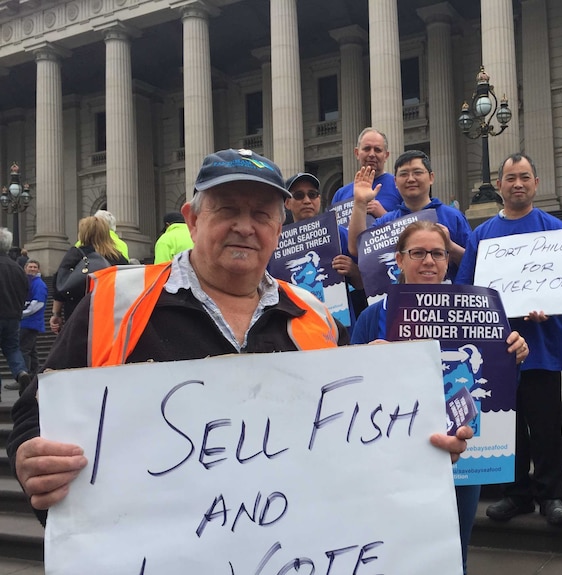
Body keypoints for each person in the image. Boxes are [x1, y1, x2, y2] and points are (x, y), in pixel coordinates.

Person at [7, 148, 472, 527]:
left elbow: (353, 437)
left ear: (278, 227)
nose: (245, 226)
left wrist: (413, 436)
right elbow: (34, 409)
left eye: (262, 214)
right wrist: (30, 458)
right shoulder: (116, 302)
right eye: (227, 210)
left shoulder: (315, 317)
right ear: (192, 218)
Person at [350, 219, 529, 574]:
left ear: (448, 261)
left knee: (454, 548)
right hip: (392, 450)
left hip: (462, 453)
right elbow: (349, 384)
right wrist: (365, 359)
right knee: (394, 547)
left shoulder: (478, 309)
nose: (428, 261)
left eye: (438, 253)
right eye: (418, 253)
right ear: (399, 260)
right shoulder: (374, 316)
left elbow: (494, 379)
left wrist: (516, 355)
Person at [455, 152, 562, 527]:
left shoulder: (556, 228)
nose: (518, 184)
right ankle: (516, 493)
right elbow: (466, 287)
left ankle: (551, 495)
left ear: (536, 183)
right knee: (508, 424)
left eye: (525, 177)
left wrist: (551, 304)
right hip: (499, 348)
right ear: (500, 184)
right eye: (510, 178)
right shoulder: (482, 235)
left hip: (543, 343)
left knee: (545, 425)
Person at [348, 150, 471, 280]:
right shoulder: (387, 221)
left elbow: (475, 263)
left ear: (431, 178)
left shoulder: (453, 217)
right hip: (399, 298)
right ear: (395, 182)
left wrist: (450, 246)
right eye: (404, 174)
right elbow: (358, 249)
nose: (411, 179)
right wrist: (360, 202)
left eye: (417, 173)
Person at [282, 171, 366, 323]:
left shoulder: (339, 233)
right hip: (297, 327)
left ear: (319, 199)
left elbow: (363, 283)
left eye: (312, 194)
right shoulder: (278, 244)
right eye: (299, 195)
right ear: (287, 202)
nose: (307, 200)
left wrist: (353, 270)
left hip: (340, 327)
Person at [50, 216, 130, 334]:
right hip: (110, 313)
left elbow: (60, 284)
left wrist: (56, 314)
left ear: (83, 233)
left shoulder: (75, 254)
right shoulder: (117, 257)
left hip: (78, 312)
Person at [331, 128, 402, 217]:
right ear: (357, 153)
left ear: (386, 156)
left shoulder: (399, 186)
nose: (372, 154)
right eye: (367, 149)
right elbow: (334, 229)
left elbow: (413, 226)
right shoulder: (341, 194)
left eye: (377, 150)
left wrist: (383, 214)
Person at [0, 228, 30, 396]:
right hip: (13, 315)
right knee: (12, 349)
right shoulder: (17, 268)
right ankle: (21, 372)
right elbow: (24, 290)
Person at [18, 260, 47, 384]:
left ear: (39, 270)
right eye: (30, 267)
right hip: (29, 322)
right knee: (32, 351)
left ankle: (24, 375)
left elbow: (38, 304)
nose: (32, 269)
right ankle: (35, 374)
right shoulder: (29, 282)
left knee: (23, 349)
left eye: (35, 267)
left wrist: (21, 314)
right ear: (25, 268)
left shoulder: (38, 284)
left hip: (30, 322)